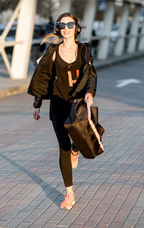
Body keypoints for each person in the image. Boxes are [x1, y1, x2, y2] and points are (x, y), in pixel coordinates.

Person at [28, 12, 97, 210]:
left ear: (76, 27)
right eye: (62, 25)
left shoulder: (84, 50)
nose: (65, 28)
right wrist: (37, 103)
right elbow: (43, 78)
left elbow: (91, 75)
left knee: (82, 140)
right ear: (59, 28)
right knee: (63, 147)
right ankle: (70, 193)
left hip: (77, 103)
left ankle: (77, 148)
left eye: (69, 24)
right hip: (58, 103)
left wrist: (90, 93)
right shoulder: (53, 51)